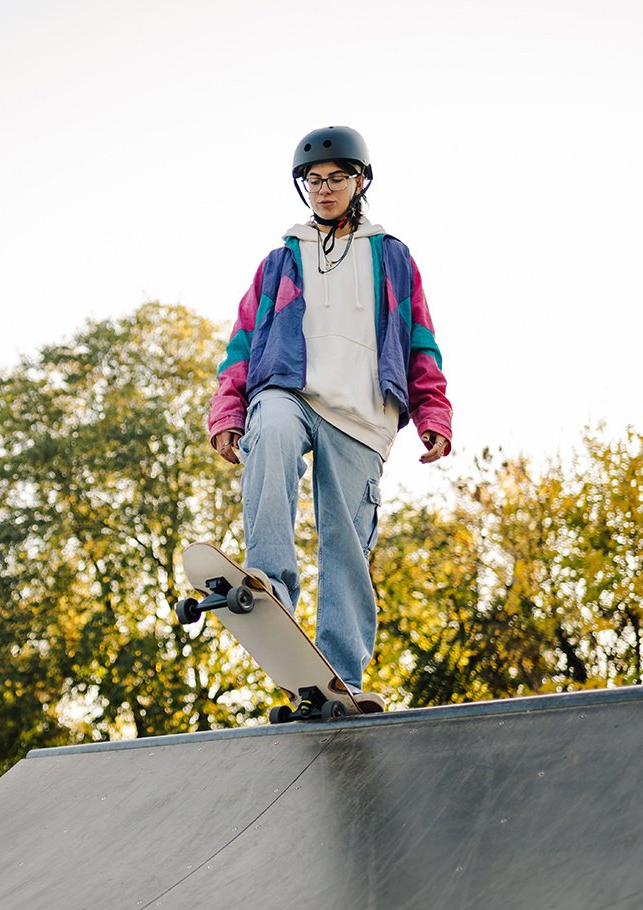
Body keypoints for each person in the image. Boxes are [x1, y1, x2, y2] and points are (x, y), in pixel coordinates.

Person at [207, 125, 453, 709]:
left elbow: (419, 338)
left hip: (363, 414)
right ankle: (268, 579)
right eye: (314, 182)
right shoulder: (278, 262)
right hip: (289, 392)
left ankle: (339, 677)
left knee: (345, 547)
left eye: (337, 179)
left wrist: (432, 411)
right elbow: (244, 340)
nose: (324, 190)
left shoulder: (391, 257)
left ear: (360, 181)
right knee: (272, 429)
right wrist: (227, 410)